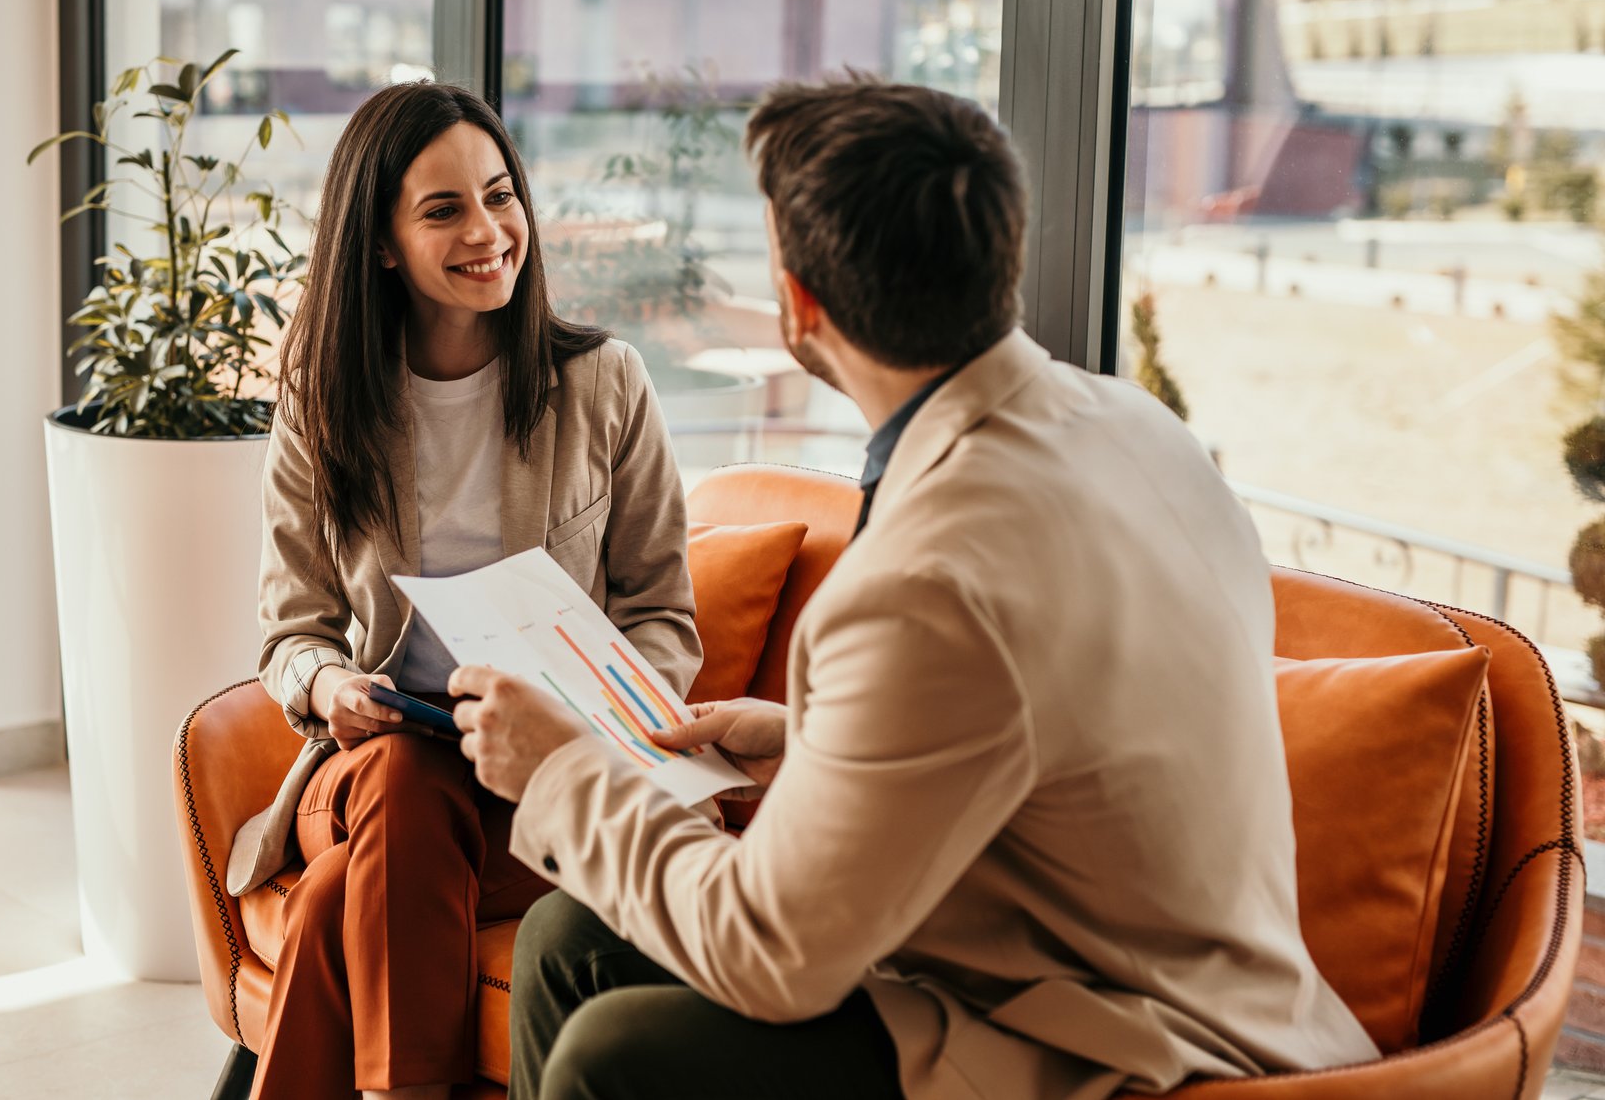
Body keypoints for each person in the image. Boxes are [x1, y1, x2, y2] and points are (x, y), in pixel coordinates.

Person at [447, 78, 1382, 1100]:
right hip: (1167, 984)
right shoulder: (1136, 428)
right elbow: (1051, 717)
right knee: (570, 935)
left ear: (798, 304)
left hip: (1117, 1049)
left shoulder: (924, 580)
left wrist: (563, 770)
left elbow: (769, 955)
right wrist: (808, 735)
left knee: (611, 1056)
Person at [224, 82, 704, 1100]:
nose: (487, 231)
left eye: (499, 196)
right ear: (384, 243)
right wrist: (326, 688)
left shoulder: (603, 383)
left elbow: (662, 613)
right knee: (403, 776)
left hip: (534, 774)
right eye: (443, 210)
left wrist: (587, 704)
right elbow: (290, 631)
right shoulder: (323, 395)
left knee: (331, 911)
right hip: (370, 765)